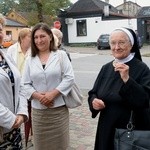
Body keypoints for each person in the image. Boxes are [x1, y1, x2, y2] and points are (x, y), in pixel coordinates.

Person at [88, 27, 150, 150]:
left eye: (121, 42)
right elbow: (93, 92)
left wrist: (127, 79)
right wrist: (93, 102)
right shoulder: (106, 68)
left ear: (131, 45)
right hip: (106, 127)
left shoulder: (142, 69)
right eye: (113, 43)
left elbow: (144, 100)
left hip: (129, 128)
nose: (117, 47)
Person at [22, 22, 74, 150]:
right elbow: (25, 84)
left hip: (58, 111)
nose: (39, 40)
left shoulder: (61, 55)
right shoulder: (30, 59)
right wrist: (39, 97)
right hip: (39, 113)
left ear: (50, 36)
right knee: (41, 146)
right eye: (36, 37)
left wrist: (53, 94)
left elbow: (69, 77)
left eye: (42, 36)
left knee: (60, 146)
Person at [0, 13, 28, 149]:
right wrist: (11, 120)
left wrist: (22, 113)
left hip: (14, 129)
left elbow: (20, 85)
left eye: (0, 30)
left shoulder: (5, 56)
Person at [7, 27, 32, 146]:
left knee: (28, 114)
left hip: (28, 87)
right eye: (29, 36)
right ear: (22, 38)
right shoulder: (12, 50)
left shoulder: (33, 50)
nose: (32, 39)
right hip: (15, 88)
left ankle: (29, 136)